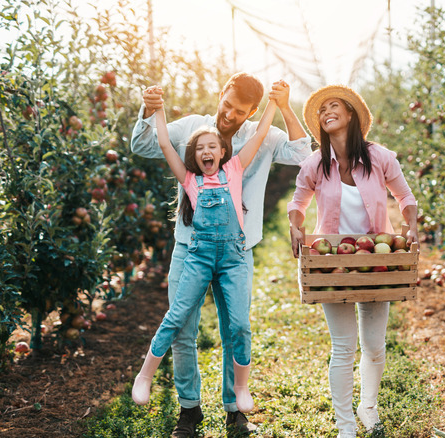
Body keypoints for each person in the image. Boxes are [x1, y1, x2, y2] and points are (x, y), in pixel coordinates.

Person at [130, 73, 311, 437]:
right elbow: (147, 145)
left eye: (238, 111)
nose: (228, 114)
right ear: (221, 94)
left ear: (253, 112)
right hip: (190, 246)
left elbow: (304, 155)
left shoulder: (263, 135)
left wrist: (285, 107)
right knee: (182, 327)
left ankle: (234, 410)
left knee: (235, 328)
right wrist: (148, 111)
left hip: (237, 251)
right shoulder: (194, 129)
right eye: (226, 104)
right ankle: (189, 410)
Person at [286, 85, 419, 437]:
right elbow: (297, 204)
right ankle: (345, 425)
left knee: (375, 347)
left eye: (334, 106)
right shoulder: (314, 163)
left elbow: (405, 195)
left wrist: (412, 226)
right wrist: (295, 228)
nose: (326, 112)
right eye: (321, 109)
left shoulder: (380, 157)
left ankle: (368, 407)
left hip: (378, 264)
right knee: (343, 347)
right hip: (332, 265)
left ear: (350, 115)